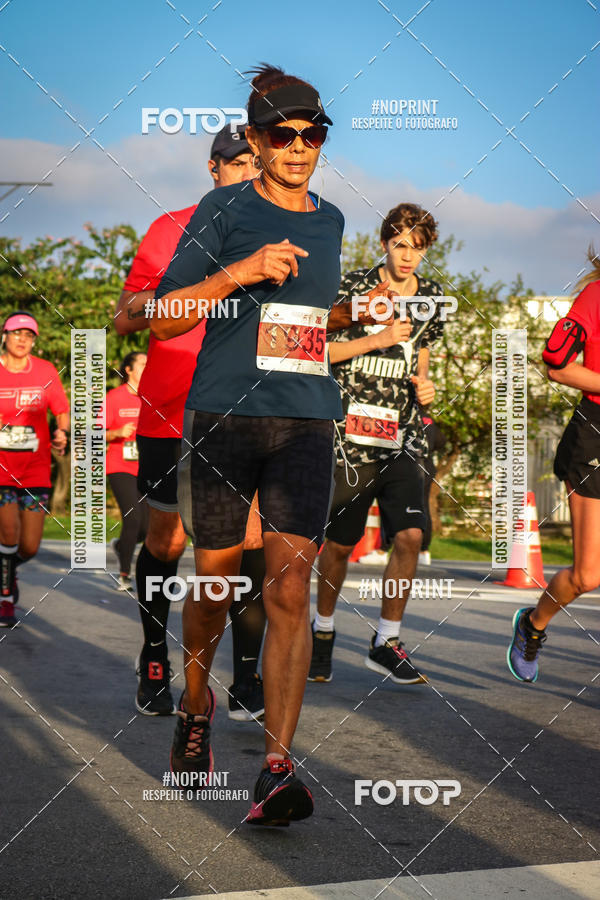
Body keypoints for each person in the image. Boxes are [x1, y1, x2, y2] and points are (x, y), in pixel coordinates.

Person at [151, 63, 344, 826]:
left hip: (305, 419)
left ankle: (275, 766)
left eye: (312, 134)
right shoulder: (221, 209)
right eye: (282, 134)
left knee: (290, 589)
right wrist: (241, 271)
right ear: (257, 140)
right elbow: (164, 315)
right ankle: (194, 708)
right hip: (224, 419)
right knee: (213, 593)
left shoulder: (330, 221)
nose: (299, 147)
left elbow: (307, 323)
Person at [114, 124, 269, 720]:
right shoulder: (169, 228)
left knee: (246, 541)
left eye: (254, 162)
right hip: (170, 412)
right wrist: (188, 297)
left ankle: (247, 677)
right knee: (167, 540)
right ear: (213, 168)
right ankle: (155, 654)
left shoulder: (277, 234)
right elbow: (127, 318)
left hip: (247, 412)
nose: (246, 171)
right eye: (236, 163)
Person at [309, 203, 445, 685]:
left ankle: (386, 640)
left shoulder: (431, 296)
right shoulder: (352, 287)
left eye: (418, 247)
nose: (408, 256)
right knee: (340, 547)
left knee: (410, 536)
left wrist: (426, 387)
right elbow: (318, 347)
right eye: (401, 244)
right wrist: (376, 338)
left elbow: (422, 364)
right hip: (352, 438)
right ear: (385, 242)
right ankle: (322, 630)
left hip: (405, 436)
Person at [508, 250, 600, 682]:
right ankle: (533, 624)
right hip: (593, 438)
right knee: (586, 575)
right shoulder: (595, 297)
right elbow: (555, 362)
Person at [0, 311, 69, 627]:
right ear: (5, 336)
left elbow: (62, 410)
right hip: (2, 467)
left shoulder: (45, 370)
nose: (22, 340)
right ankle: (4, 599)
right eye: (16, 333)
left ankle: (7, 570)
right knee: (9, 531)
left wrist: (62, 432)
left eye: (28, 335)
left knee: (29, 545)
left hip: (35, 468)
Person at [105, 351, 148, 591]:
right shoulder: (114, 397)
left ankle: (122, 545)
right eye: (143, 363)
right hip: (120, 466)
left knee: (147, 528)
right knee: (133, 518)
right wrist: (116, 433)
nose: (148, 367)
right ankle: (124, 575)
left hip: (147, 467)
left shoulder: (153, 396)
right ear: (129, 369)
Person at [418, 410, 445, 566]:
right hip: (428, 466)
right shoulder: (430, 420)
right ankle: (424, 550)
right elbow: (442, 441)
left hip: (413, 464)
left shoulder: (408, 414)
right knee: (424, 506)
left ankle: (383, 549)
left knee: (397, 503)